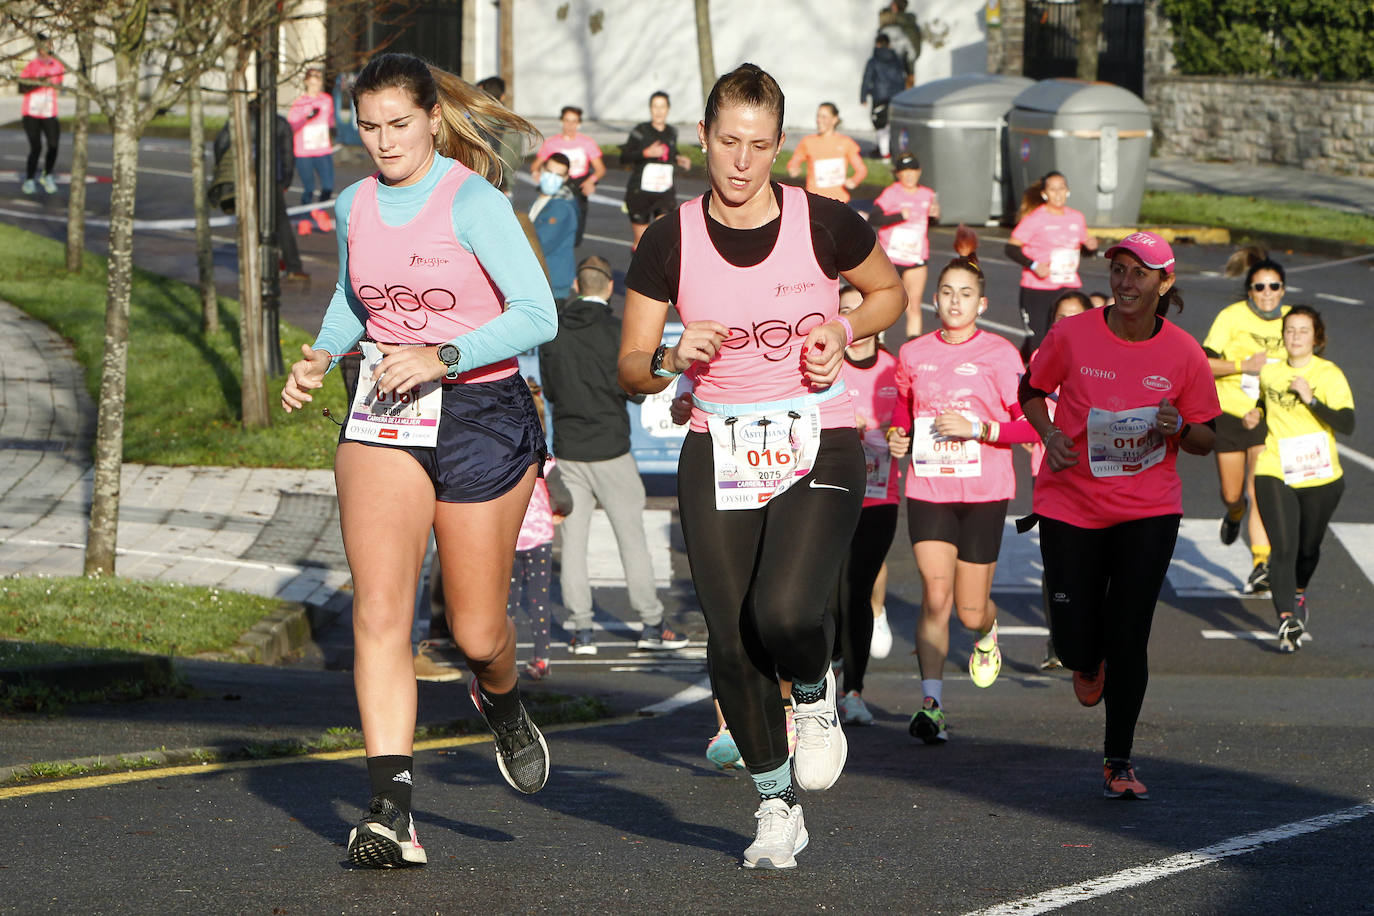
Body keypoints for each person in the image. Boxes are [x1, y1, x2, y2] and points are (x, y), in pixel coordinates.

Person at [619, 63, 905, 869]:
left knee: (784, 614)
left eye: (759, 146)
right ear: (701, 139)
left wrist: (843, 328)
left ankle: (815, 696)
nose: (742, 163)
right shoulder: (670, 238)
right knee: (730, 640)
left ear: (780, 146)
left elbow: (887, 295)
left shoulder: (824, 224)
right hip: (721, 443)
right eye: (727, 143)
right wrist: (674, 356)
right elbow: (631, 366)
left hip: (820, 433)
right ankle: (775, 804)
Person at [279, 52, 557, 868]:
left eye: (400, 124)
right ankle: (392, 813)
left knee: (475, 631)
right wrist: (324, 355)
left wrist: (444, 353)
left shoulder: (472, 201)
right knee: (380, 611)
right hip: (386, 408)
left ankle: (502, 703)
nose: (384, 141)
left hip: (482, 411)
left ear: (434, 119)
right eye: (369, 127)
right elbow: (352, 296)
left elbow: (537, 312)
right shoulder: (354, 201)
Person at [1018, 231, 1219, 800]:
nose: (1127, 282)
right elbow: (1031, 389)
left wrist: (1178, 426)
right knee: (1078, 643)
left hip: (1148, 509)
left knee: (1130, 634)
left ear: (1165, 282)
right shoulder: (1073, 334)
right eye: (1120, 270)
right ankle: (1087, 658)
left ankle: (1119, 760)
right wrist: (1050, 433)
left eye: (1140, 273)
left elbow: (1206, 435)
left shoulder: (1183, 352)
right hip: (1070, 502)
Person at [886, 228, 1036, 744]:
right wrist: (898, 436)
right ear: (933, 299)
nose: (955, 301)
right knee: (935, 594)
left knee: (970, 608)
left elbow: (1030, 425)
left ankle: (986, 632)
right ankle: (932, 704)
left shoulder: (1000, 355)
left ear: (982, 303)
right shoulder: (913, 353)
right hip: (928, 487)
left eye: (965, 294)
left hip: (985, 490)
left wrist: (980, 429)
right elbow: (903, 412)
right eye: (946, 292)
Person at [539, 255, 684, 655]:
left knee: (572, 543)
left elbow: (549, 392)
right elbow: (633, 389)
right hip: (612, 449)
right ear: (607, 288)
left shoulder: (554, 333)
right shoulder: (617, 332)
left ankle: (581, 629)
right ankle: (651, 623)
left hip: (569, 449)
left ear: (575, 287)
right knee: (631, 540)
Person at [1243, 306, 1353, 653]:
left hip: (1321, 474)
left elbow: (1347, 423)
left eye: (1303, 331)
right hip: (1275, 467)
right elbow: (1262, 407)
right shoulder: (1272, 374)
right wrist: (1253, 418)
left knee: (1308, 549)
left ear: (1316, 338)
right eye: (1290, 330)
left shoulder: (1329, 374)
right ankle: (1287, 616)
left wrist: (1311, 398)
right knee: (1284, 547)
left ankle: (1299, 590)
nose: (1295, 337)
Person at [833, 285, 902, 726]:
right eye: (844, 313)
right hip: (826, 495)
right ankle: (822, 674)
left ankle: (853, 690)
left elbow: (917, 425)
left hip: (880, 496)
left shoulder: (897, 372)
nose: (855, 324)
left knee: (857, 592)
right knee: (825, 594)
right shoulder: (824, 366)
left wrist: (902, 438)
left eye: (863, 312)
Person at [1202, 254, 1289, 595]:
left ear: (1283, 289)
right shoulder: (1231, 317)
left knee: (1259, 490)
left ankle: (1260, 563)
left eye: (1274, 286)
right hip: (1228, 412)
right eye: (1260, 287)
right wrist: (1243, 365)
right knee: (1233, 493)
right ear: (1249, 290)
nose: (1268, 293)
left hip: (1267, 416)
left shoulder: (1290, 321)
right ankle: (1234, 514)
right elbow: (1204, 363)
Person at [1024, 290, 1090, 671]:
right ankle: (1058, 637)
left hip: (1099, 468)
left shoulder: (1104, 356)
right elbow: (1027, 406)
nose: (1067, 325)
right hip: (1051, 470)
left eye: (1076, 317)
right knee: (1059, 559)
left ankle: (1094, 631)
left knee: (1097, 558)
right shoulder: (1042, 359)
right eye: (1060, 318)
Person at [511, 381, 572, 681]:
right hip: (540, 538)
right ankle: (542, 658)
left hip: (508, 537)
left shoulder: (504, 460)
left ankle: (503, 660)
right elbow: (564, 499)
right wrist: (557, 510)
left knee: (506, 603)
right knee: (539, 599)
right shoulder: (546, 461)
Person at [1005, 171, 1099, 359]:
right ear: (1044, 193)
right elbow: (1011, 248)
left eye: (1061, 188)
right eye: (1052, 189)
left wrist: (1091, 247)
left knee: (1067, 337)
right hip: (1038, 287)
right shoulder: (1035, 218)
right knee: (1038, 339)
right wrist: (1034, 265)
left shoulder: (1076, 217)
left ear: (1068, 191)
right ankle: (1028, 379)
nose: (1058, 194)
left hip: (1068, 285)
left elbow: (1085, 250)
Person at [213, 103, 306, 281]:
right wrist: (286, 178)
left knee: (250, 221)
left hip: (245, 175)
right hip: (273, 177)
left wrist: (224, 169)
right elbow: (287, 153)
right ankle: (293, 266)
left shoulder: (240, 121)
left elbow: (221, 143)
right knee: (281, 222)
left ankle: (254, 266)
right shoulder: (279, 122)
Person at [868, 151, 939, 341]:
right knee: (884, 301)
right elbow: (874, 217)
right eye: (904, 171)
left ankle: (913, 345)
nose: (909, 175)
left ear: (919, 172)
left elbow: (929, 224)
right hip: (890, 257)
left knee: (913, 304)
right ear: (898, 174)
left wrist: (934, 217)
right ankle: (877, 341)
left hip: (915, 256)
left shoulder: (927, 194)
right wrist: (899, 216)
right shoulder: (892, 192)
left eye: (912, 170)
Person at [620, 90, 692, 250]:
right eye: (655, 107)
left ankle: (659, 274)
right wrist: (646, 153)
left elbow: (671, 154)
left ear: (668, 109)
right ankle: (638, 273)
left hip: (664, 192)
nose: (659, 111)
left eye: (662, 107)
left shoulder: (672, 132)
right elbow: (624, 157)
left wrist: (679, 158)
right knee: (641, 242)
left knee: (664, 237)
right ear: (650, 109)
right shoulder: (641, 131)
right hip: (640, 192)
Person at [531, 105, 604, 247]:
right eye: (567, 121)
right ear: (561, 122)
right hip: (556, 189)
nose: (570, 125)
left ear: (579, 124)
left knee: (575, 234)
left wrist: (591, 181)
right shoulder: (551, 143)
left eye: (574, 121)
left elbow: (600, 169)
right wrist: (538, 175)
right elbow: (535, 166)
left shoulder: (587, 143)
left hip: (577, 190)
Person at [786, 103, 868, 204]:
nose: (819, 120)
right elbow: (794, 161)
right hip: (815, 200)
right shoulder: (808, 141)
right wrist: (793, 168)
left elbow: (861, 170)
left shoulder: (846, 142)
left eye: (824, 117)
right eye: (818, 116)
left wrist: (854, 181)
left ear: (834, 120)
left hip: (839, 200)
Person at [287, 67, 337, 228]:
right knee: (308, 188)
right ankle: (304, 219)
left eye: (318, 83)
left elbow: (330, 121)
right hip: (304, 152)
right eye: (312, 83)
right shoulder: (300, 102)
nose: (315, 86)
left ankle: (319, 211)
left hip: (322, 150)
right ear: (307, 82)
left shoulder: (326, 100)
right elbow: (292, 126)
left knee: (328, 186)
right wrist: (307, 116)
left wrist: (334, 131)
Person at [18, 34, 64, 195]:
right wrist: (40, 81)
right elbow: (21, 87)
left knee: (53, 144)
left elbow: (60, 85)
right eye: (43, 46)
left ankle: (48, 174)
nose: (45, 50)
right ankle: (30, 179)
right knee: (36, 147)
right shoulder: (31, 65)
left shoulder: (57, 65)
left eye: (48, 46)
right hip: (31, 112)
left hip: (49, 111)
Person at [530, 153, 579, 300]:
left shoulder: (561, 207)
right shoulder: (543, 199)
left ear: (565, 178)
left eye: (558, 175)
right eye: (549, 172)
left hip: (551, 282)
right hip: (543, 279)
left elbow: (541, 243)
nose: (552, 178)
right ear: (542, 169)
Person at [860, 33, 908, 160]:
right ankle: (890, 150)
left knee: (880, 124)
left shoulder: (874, 61)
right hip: (896, 96)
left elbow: (867, 79)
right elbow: (902, 78)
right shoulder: (897, 59)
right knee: (891, 125)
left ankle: (884, 153)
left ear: (878, 44)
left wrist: (863, 96)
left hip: (879, 96)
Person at [878, 0, 923, 85]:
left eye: (893, 4)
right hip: (904, 68)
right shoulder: (909, 22)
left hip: (902, 67)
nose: (891, 6)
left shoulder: (901, 23)